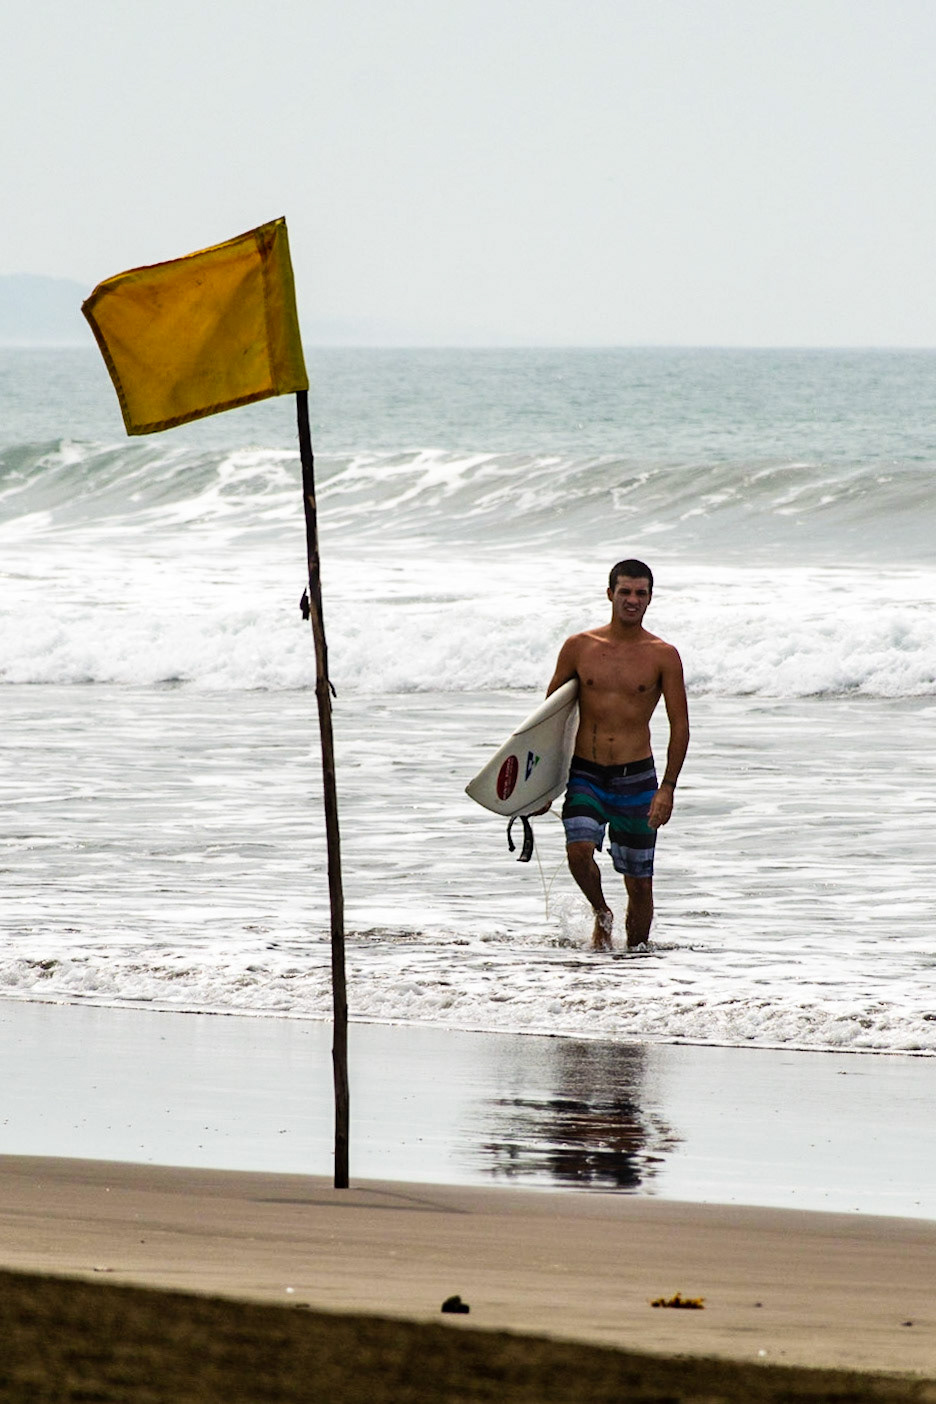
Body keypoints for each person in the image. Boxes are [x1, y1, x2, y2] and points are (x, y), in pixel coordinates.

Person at [544, 560, 689, 952]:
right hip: (586, 773)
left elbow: (680, 726)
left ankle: (634, 964)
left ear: (650, 599)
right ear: (610, 593)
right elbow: (550, 718)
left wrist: (668, 788)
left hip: (637, 778)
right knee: (577, 852)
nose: (632, 600)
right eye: (625, 591)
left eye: (640, 593)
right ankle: (602, 913)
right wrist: (540, 786)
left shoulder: (663, 656)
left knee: (639, 882)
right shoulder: (579, 647)